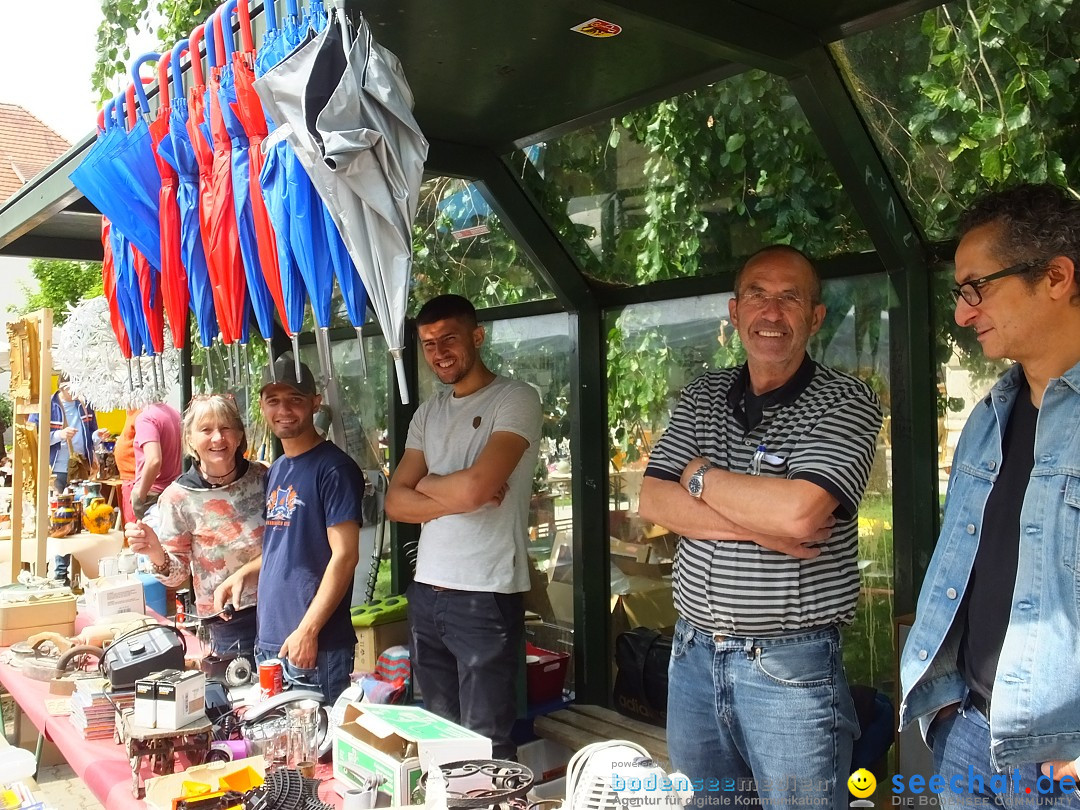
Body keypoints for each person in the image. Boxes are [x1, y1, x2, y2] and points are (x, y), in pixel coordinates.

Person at [637, 245, 882, 806]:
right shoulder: (702, 395)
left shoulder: (846, 401)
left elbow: (800, 513)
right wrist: (758, 529)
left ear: (815, 317)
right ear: (734, 311)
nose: (771, 312)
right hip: (693, 657)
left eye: (789, 298)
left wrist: (696, 474)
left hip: (790, 667)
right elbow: (652, 497)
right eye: (757, 295)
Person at [899, 184, 1080, 807]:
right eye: (959, 292)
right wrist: (949, 710)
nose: (963, 312)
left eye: (978, 287)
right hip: (968, 734)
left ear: (1056, 276)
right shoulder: (988, 417)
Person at [385, 294, 542, 760]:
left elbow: (477, 488)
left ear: (477, 336)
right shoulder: (429, 411)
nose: (439, 353)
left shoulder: (515, 398)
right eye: (429, 344)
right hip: (427, 590)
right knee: (436, 732)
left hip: (484, 592)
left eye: (449, 339)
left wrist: (429, 486)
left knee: (486, 739)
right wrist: (455, 492)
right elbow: (395, 502)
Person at [216, 356, 364, 703]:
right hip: (270, 640)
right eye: (274, 400)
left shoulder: (335, 469)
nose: (284, 409)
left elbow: (345, 556)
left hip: (314, 645)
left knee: (314, 753)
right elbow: (288, 546)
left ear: (315, 402)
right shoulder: (278, 469)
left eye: (295, 399)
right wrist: (244, 574)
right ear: (263, 406)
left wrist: (309, 630)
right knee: (277, 751)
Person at [125, 394, 265, 657]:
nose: (217, 438)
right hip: (227, 620)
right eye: (206, 430)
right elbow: (177, 578)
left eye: (225, 428)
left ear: (238, 435)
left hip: (280, 608)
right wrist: (155, 550)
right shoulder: (178, 497)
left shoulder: (264, 478)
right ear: (190, 439)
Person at [29, 375, 105, 583]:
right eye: (72, 388)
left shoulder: (85, 404)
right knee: (59, 521)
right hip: (54, 470)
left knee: (80, 520)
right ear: (62, 386)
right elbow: (31, 436)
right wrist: (58, 435)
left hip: (80, 469)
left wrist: (98, 436)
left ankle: (81, 575)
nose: (75, 392)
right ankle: (58, 574)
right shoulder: (48, 404)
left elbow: (90, 435)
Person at [131, 400, 182, 519]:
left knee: (150, 535)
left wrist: (140, 494)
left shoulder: (146, 418)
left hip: (153, 493)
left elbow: (154, 460)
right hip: (173, 489)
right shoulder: (174, 413)